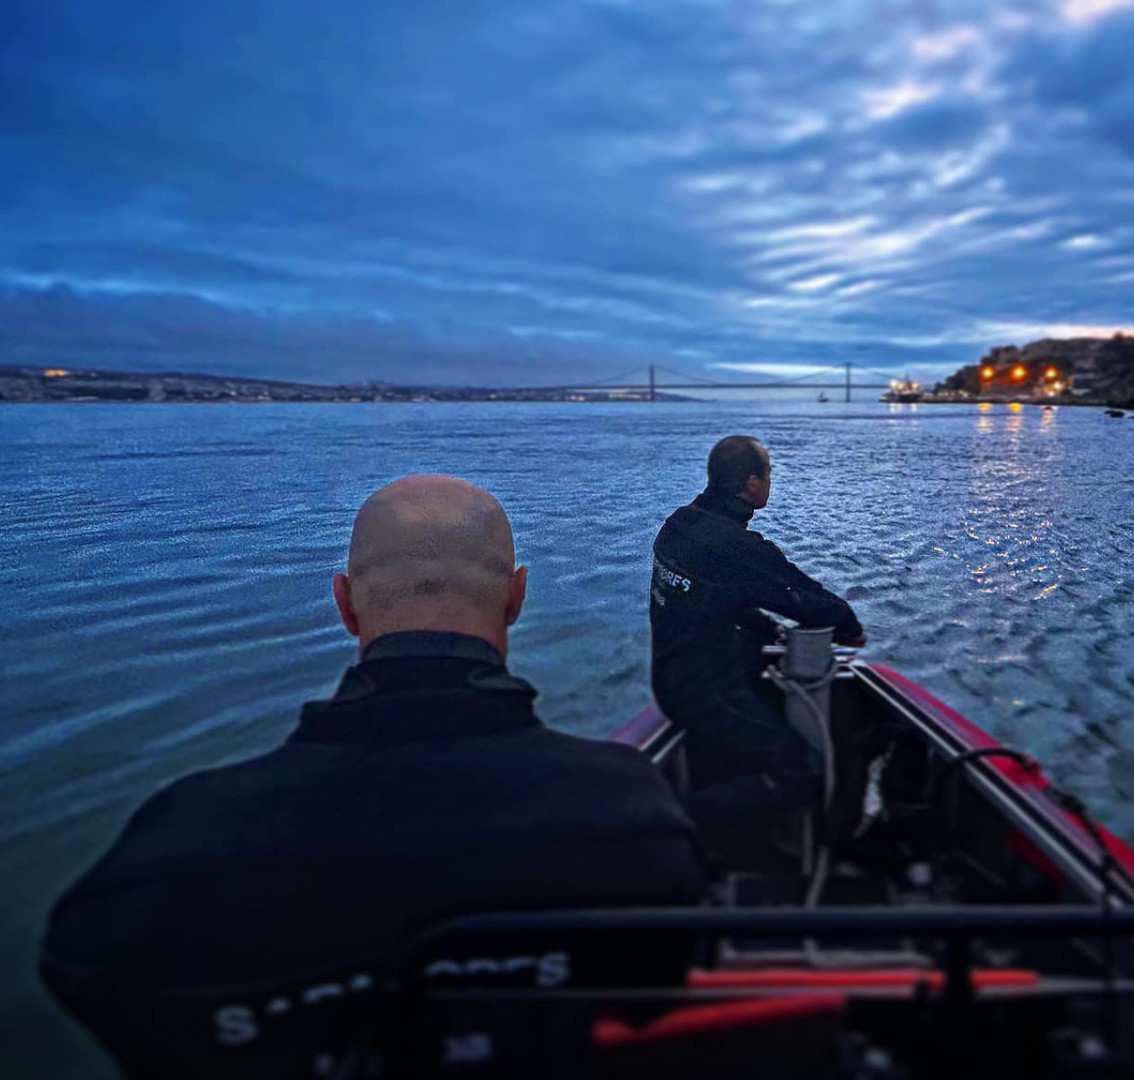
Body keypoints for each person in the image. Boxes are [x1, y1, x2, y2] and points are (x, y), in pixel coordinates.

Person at [42, 475, 706, 1077]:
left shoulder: (160, 858)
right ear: (516, 598)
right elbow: (650, 1000)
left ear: (345, 605)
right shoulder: (629, 812)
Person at [650, 435, 866, 848]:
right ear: (751, 483)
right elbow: (802, 596)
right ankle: (664, 823)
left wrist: (770, 631)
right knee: (798, 770)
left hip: (671, 679)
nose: (770, 483)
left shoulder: (679, 524)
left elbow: (712, 597)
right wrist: (847, 625)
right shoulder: (735, 547)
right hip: (707, 692)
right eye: (768, 475)